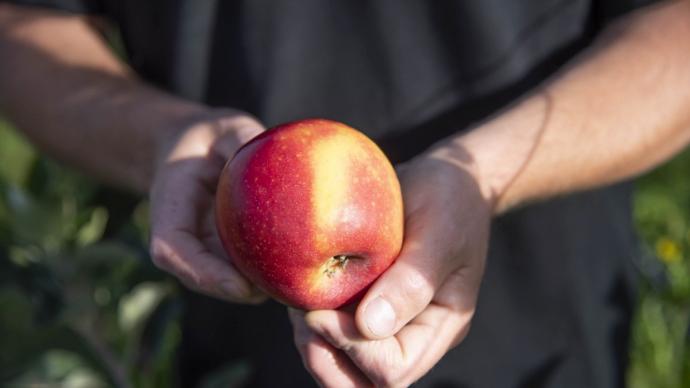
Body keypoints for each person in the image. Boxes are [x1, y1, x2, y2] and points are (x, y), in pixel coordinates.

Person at [1, 0, 689, 386]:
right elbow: (22, 25)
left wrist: (487, 170)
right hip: (234, 332)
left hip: (542, 334)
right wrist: (159, 135)